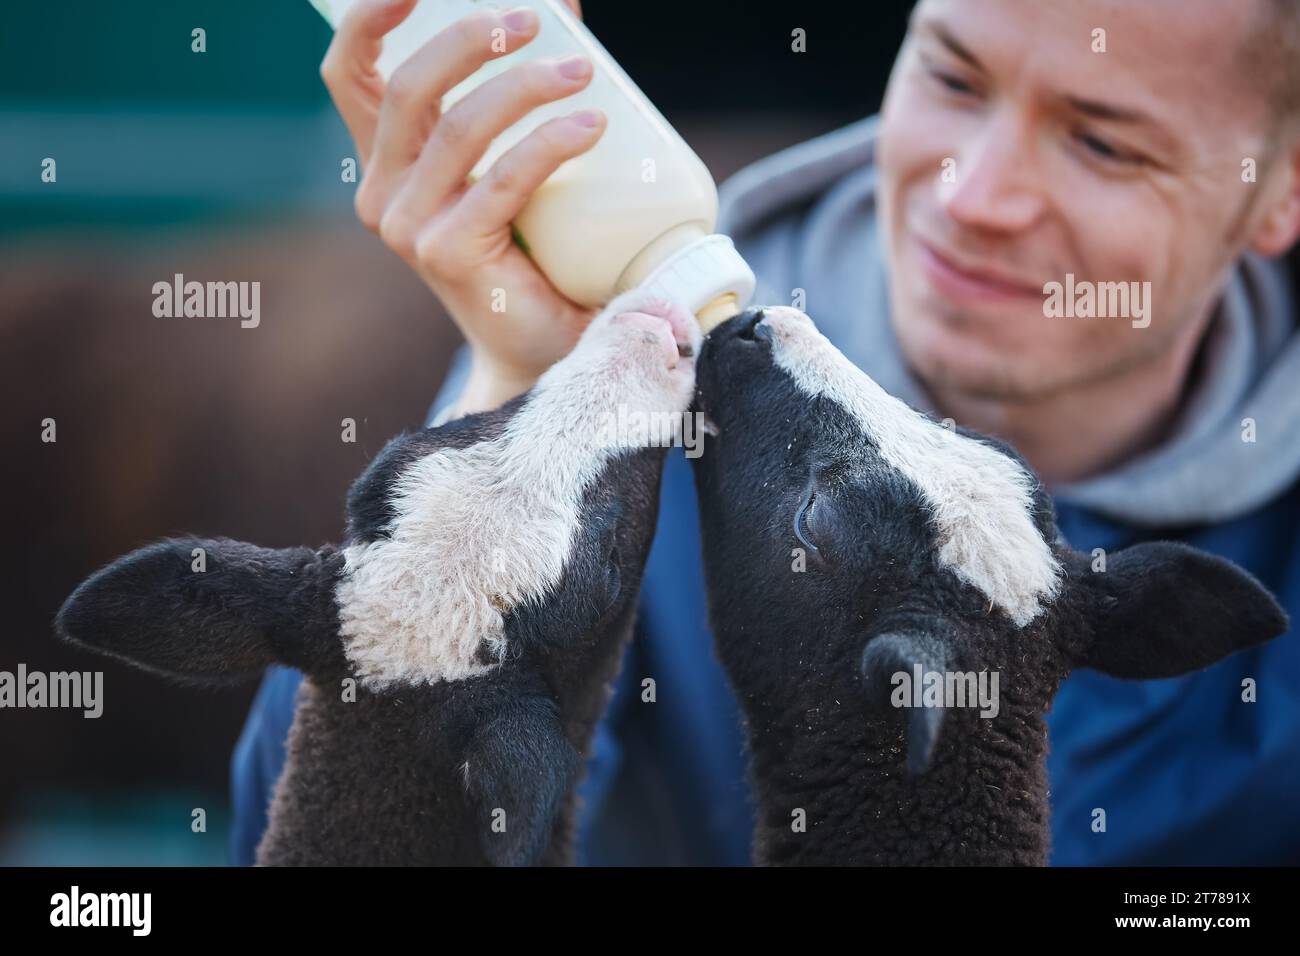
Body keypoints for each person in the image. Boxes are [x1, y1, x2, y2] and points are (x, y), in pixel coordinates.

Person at [231, 0, 1300, 864]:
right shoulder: (641, 380)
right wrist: (522, 392)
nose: (972, 195)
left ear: (1279, 186)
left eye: (1104, 143)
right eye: (951, 77)